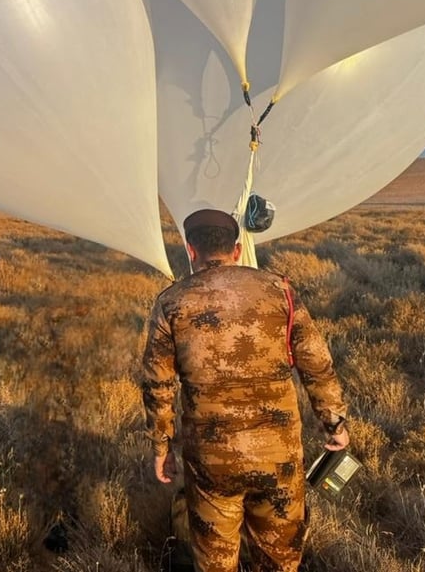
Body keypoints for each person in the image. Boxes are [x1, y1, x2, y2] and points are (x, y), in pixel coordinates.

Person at [141, 208, 349, 572]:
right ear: (236, 250)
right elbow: (316, 363)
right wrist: (335, 425)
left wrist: (162, 446)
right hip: (278, 455)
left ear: (191, 250)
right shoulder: (280, 290)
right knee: (280, 560)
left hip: (211, 459)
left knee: (216, 561)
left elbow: (157, 383)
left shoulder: (171, 302)